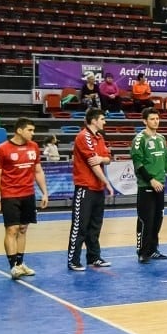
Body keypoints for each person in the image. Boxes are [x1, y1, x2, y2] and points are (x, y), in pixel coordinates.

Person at [0, 118, 48, 279]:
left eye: (33, 130)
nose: (33, 133)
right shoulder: (2, 149)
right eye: (30, 130)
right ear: (19, 130)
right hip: (10, 195)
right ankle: (13, 266)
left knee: (23, 229)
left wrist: (44, 192)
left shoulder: (34, 147)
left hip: (28, 194)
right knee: (11, 229)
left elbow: (38, 171)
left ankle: (20, 263)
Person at [66, 108, 114, 271]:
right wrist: (106, 182)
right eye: (102, 119)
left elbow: (107, 159)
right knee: (80, 226)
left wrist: (102, 158)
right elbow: (93, 163)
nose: (104, 122)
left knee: (95, 225)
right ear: (94, 120)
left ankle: (94, 257)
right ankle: (73, 259)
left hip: (97, 188)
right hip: (85, 187)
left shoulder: (99, 137)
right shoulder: (83, 136)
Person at [132, 108, 167, 264]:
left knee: (158, 219)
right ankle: (142, 251)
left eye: (157, 118)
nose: (156, 121)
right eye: (152, 119)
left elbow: (166, 159)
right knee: (146, 220)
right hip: (146, 186)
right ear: (145, 121)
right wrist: (151, 180)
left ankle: (153, 250)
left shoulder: (161, 138)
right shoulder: (140, 139)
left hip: (161, 186)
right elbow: (138, 163)